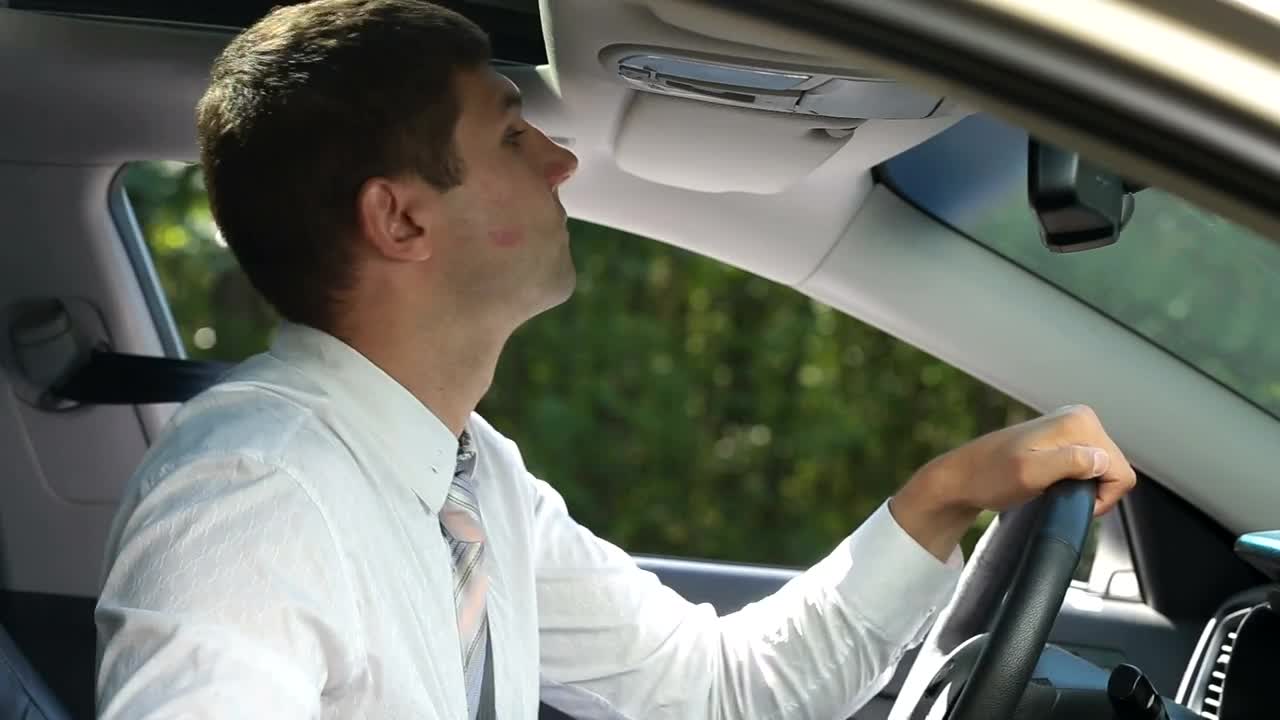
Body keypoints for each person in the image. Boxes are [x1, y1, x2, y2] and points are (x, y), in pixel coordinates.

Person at [93, 1, 1138, 718]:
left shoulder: (467, 476)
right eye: (510, 138)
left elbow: (720, 692)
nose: (559, 158)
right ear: (400, 218)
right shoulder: (254, 497)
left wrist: (949, 493)